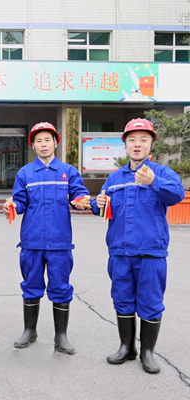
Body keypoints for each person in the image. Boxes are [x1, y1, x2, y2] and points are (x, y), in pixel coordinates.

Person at [91, 118, 184, 373]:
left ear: (151, 144)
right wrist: (97, 204)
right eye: (132, 139)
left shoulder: (162, 173)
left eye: (143, 139)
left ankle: (147, 352)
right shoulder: (115, 178)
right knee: (122, 299)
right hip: (120, 252)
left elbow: (177, 195)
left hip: (150, 252)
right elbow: (102, 207)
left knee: (151, 302)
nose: (137, 144)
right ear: (125, 144)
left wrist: (153, 181)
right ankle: (127, 347)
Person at [4, 122, 89, 355]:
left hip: (60, 242)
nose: (43, 144)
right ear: (33, 145)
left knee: (60, 287)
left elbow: (78, 195)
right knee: (31, 286)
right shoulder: (25, 173)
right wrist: (12, 206)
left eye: (47, 140)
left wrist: (81, 201)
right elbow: (20, 201)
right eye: (39, 141)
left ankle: (61, 336)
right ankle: (29, 331)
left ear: (55, 143)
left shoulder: (68, 172)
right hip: (31, 241)